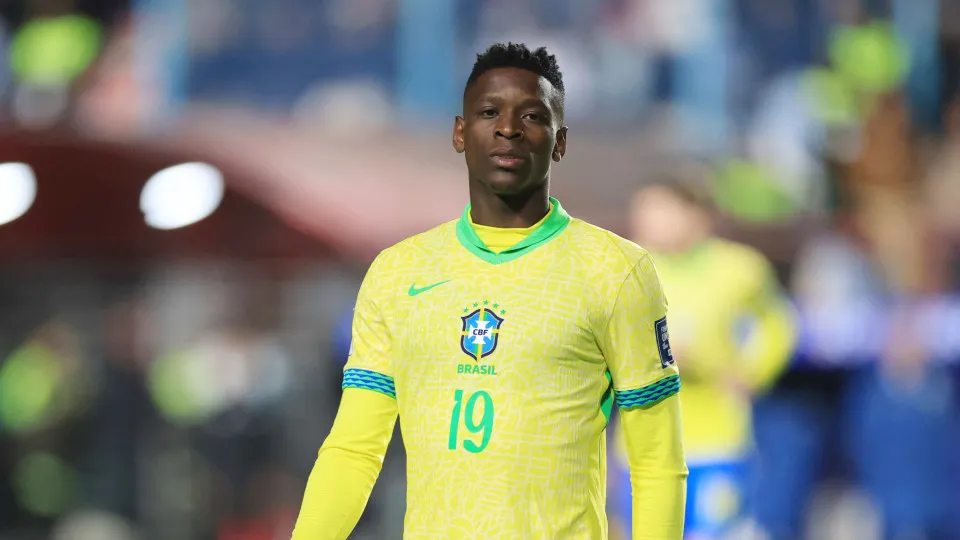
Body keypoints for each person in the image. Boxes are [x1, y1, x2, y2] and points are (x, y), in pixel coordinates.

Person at [292, 43, 687, 539]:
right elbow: (354, 450)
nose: (508, 129)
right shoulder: (398, 272)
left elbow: (656, 462)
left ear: (560, 141)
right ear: (460, 133)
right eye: (488, 112)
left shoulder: (615, 270)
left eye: (532, 116)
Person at [609, 168, 797, 539]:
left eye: (659, 210)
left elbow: (779, 323)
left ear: (695, 214)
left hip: (716, 440)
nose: (646, 221)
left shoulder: (739, 269)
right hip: (642, 445)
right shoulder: (623, 270)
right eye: (642, 211)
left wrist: (753, 375)